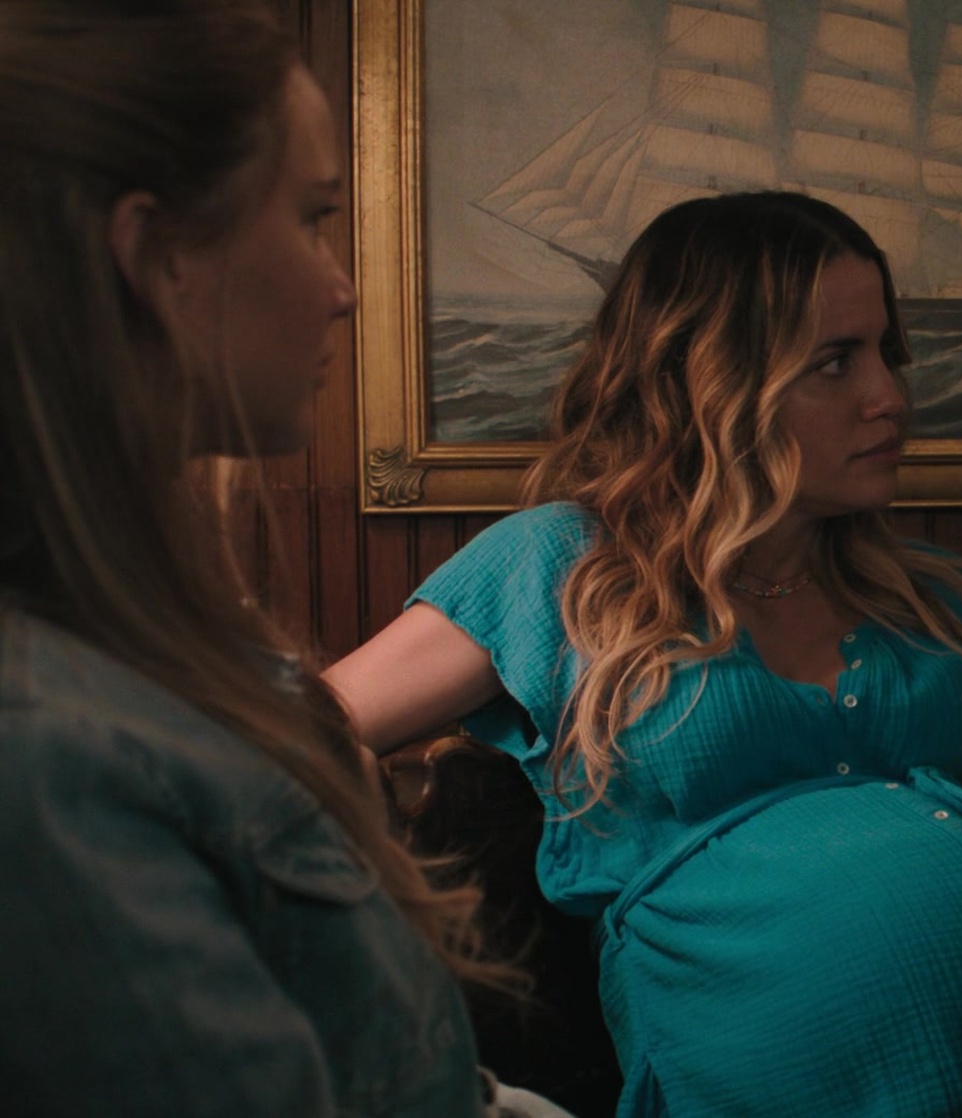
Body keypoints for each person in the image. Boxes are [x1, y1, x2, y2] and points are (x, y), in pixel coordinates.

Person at [328, 190, 962, 1117]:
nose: (890, 395)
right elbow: (294, 731)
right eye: (836, 362)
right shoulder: (562, 566)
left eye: (885, 352)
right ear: (708, 380)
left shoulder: (943, 596)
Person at [0, 2, 559, 1115]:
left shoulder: (165, 653)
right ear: (157, 256)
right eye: (311, 219)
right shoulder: (49, 759)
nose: (342, 287)